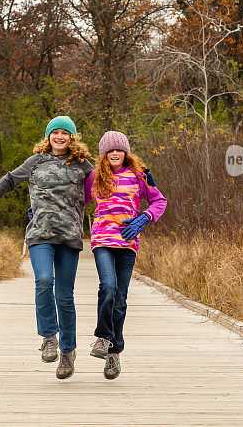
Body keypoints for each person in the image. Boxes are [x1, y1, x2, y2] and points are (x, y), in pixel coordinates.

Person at [0, 116, 93, 379]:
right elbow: (11, 179)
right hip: (40, 234)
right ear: (48, 136)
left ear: (72, 137)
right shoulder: (36, 161)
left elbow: (107, 184)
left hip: (70, 236)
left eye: (65, 133)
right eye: (55, 132)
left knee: (64, 296)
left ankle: (67, 353)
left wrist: (139, 179)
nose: (60, 137)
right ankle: (49, 336)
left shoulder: (83, 166)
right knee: (42, 280)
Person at [85, 131, 167, 379]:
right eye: (110, 150)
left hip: (128, 242)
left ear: (126, 152)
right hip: (102, 240)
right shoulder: (96, 177)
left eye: (119, 150)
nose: (115, 153)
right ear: (104, 154)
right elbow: (76, 200)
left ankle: (113, 353)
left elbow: (159, 201)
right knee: (108, 287)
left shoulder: (139, 176)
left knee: (120, 299)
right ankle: (102, 337)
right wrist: (42, 208)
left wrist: (144, 217)